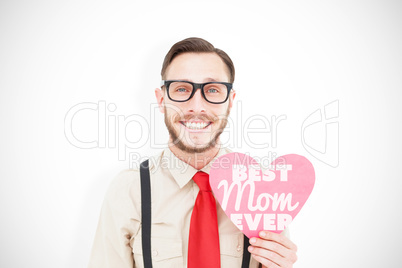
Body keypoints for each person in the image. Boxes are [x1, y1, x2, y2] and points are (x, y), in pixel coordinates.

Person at [88, 37, 298, 268]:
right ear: (161, 99)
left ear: (230, 101)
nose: (197, 107)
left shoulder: (262, 189)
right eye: (181, 89)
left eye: (213, 90)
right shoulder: (129, 190)